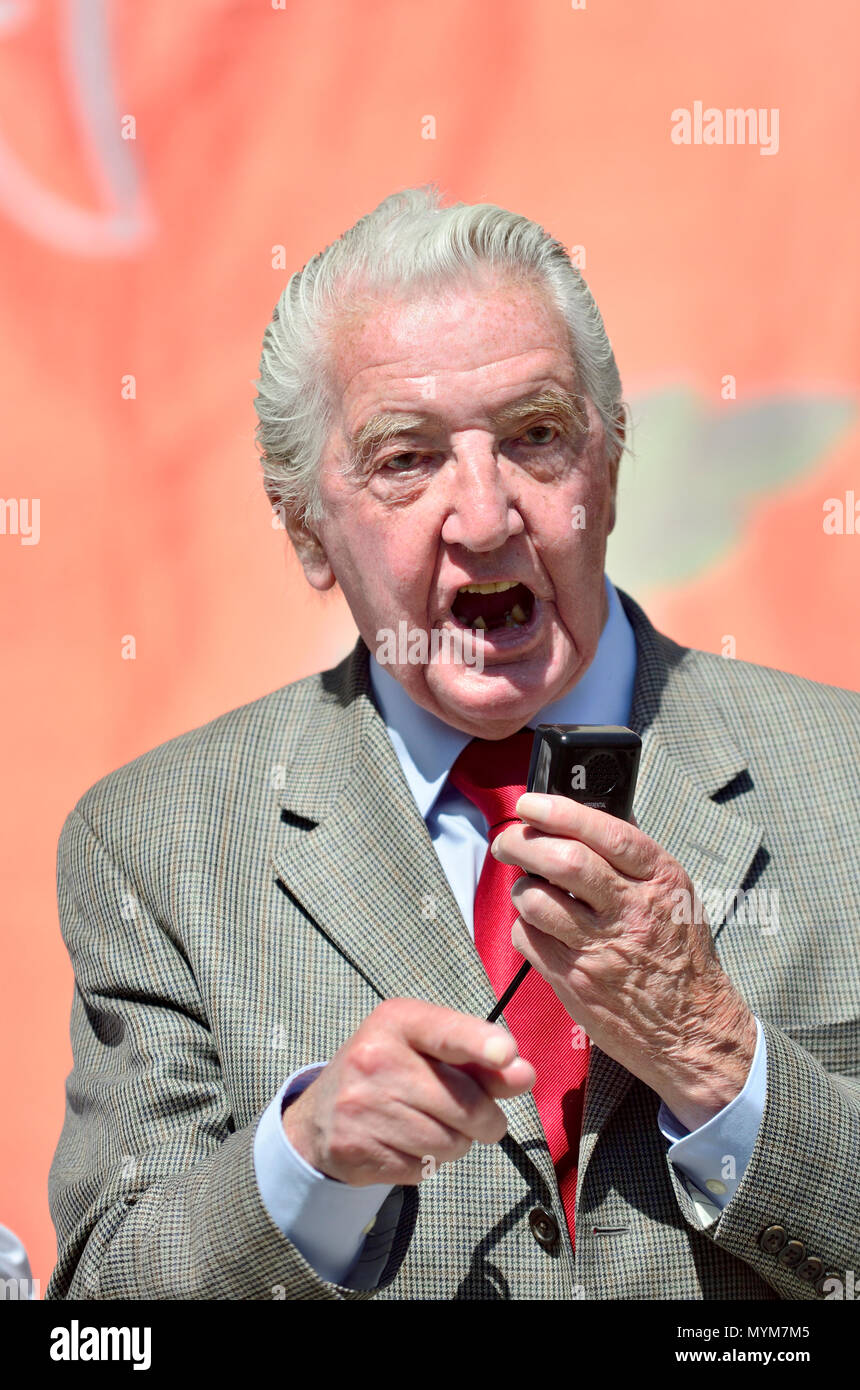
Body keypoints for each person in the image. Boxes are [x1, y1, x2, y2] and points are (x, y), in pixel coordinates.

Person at [47, 186, 860, 1301]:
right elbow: (101, 1319)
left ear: (609, 469)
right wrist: (305, 1165)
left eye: (534, 437)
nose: (483, 517)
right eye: (405, 458)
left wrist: (721, 1062)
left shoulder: (842, 781)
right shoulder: (153, 845)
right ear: (306, 532)